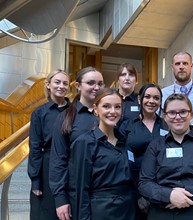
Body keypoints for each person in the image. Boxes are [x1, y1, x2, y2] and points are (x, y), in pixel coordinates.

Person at [68, 88, 136, 220]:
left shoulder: (124, 143)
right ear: (95, 109)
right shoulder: (85, 143)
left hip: (128, 211)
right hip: (101, 212)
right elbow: (80, 189)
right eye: (106, 106)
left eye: (117, 107)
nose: (113, 111)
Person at [49, 66, 104, 220]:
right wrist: (60, 199)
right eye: (91, 83)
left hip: (106, 195)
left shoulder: (109, 115)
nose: (97, 87)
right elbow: (58, 160)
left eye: (100, 83)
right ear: (78, 86)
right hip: (76, 194)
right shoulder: (66, 118)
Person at [119, 83, 169, 219]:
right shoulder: (127, 126)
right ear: (139, 99)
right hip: (133, 187)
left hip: (162, 187)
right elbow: (120, 157)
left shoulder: (167, 126)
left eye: (156, 98)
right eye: (147, 97)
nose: (151, 101)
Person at [28, 69, 70, 220]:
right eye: (57, 82)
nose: (61, 86)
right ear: (48, 85)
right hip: (47, 166)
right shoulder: (39, 113)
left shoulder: (75, 111)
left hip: (70, 163)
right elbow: (35, 147)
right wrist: (36, 180)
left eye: (65, 83)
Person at [161, 51, 193, 123]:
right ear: (172, 67)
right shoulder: (163, 93)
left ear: (191, 66)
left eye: (185, 63)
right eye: (177, 64)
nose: (181, 67)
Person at [116, 63, 140, 127]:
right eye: (123, 75)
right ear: (118, 80)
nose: (127, 78)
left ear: (136, 80)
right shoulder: (110, 98)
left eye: (131, 75)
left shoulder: (141, 100)